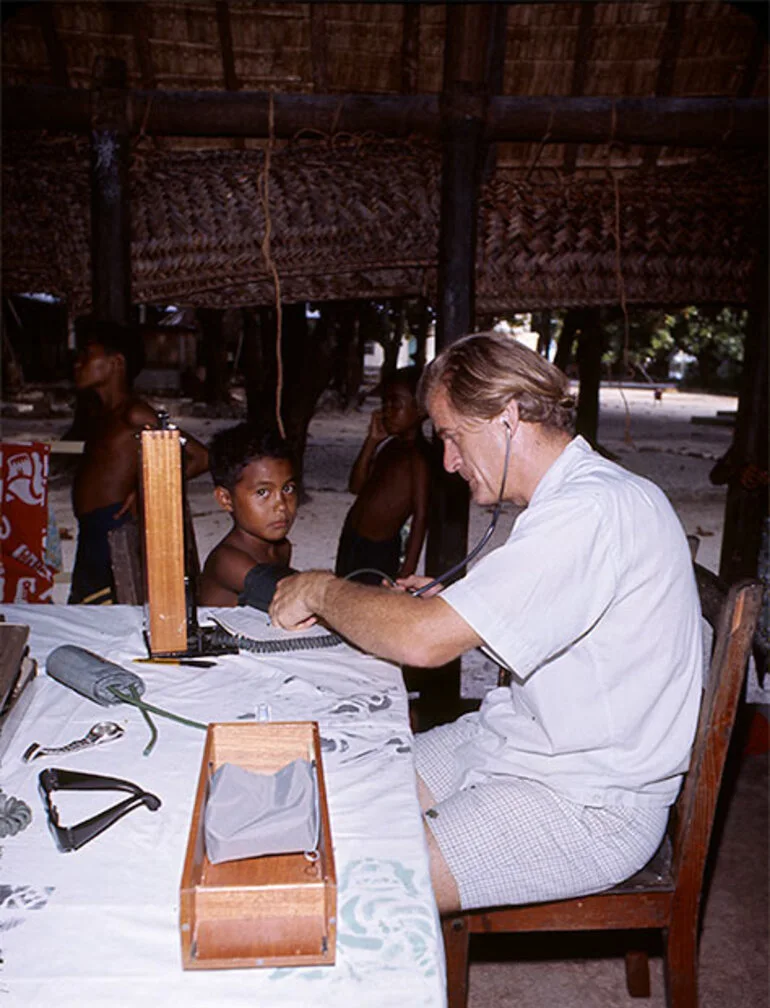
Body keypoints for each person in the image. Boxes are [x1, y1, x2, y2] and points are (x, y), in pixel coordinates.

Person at [269, 331, 703, 915]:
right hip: (517, 744)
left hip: (588, 802)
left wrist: (320, 589)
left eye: (452, 436)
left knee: (352, 886)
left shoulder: (590, 510)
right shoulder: (580, 496)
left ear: (508, 415)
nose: (448, 462)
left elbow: (421, 642)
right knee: (335, 796)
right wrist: (455, 603)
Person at [68, 318, 209, 605]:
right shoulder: (102, 415)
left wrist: (148, 488)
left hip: (112, 527)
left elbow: (200, 457)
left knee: (104, 609)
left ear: (116, 362)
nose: (77, 363)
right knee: (87, 609)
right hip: (92, 529)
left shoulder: (134, 414)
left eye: (87, 355)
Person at [335, 367, 431, 585]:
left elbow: (421, 516)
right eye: (385, 404)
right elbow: (356, 487)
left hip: (379, 548)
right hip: (352, 536)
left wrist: (408, 569)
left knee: (369, 601)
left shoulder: (418, 457)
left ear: (421, 409)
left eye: (396, 404)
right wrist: (371, 442)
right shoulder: (389, 447)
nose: (387, 411)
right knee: (342, 593)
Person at [198, 423, 299, 607]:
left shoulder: (282, 548)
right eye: (262, 492)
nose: (281, 505)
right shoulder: (227, 561)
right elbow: (298, 597)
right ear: (226, 499)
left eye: (287, 489)